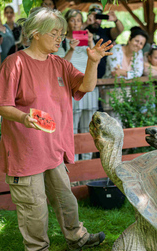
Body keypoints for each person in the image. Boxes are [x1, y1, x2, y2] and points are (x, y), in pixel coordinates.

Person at [0, 7, 112, 251]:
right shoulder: (16, 63)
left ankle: (77, 237)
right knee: (34, 207)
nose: (60, 38)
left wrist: (93, 61)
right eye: (54, 33)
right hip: (25, 151)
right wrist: (24, 117)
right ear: (35, 34)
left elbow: (86, 86)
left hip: (53, 148)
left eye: (62, 34)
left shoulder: (60, 64)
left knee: (66, 199)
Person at [55, 9, 97, 160]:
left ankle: (86, 159)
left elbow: (95, 60)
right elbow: (59, 65)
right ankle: (72, 160)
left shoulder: (88, 39)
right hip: (71, 87)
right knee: (72, 125)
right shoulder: (62, 41)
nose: (76, 23)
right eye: (72, 20)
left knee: (89, 125)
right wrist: (71, 49)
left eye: (78, 20)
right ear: (67, 23)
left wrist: (91, 42)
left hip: (89, 86)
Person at [83, 4, 124, 79]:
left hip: (103, 76)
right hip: (84, 73)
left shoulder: (105, 32)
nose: (96, 20)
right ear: (88, 16)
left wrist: (116, 20)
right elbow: (72, 36)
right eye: (94, 16)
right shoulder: (83, 31)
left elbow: (120, 30)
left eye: (99, 17)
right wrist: (86, 23)